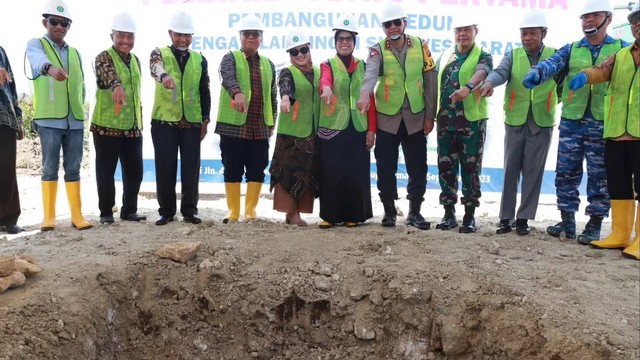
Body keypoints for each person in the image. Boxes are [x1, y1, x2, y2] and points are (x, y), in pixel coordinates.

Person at [522, 0, 628, 244]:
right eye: (584, 17)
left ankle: (594, 223)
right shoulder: (572, 48)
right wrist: (538, 72)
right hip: (572, 121)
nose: (588, 20)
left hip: (604, 122)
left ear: (608, 19)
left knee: (599, 175)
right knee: (566, 171)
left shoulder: (621, 49)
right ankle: (567, 219)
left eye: (594, 15)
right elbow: (553, 62)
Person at [568, 2, 639, 260]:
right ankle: (620, 235)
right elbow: (601, 70)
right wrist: (585, 76)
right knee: (618, 185)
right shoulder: (621, 55)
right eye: (634, 20)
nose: (638, 24)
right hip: (617, 132)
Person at [357, 2, 437, 230]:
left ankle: (415, 212)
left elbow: (430, 79)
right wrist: (364, 93)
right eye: (387, 25)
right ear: (383, 28)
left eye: (396, 22)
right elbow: (371, 73)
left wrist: (430, 114)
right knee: (385, 167)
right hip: (387, 119)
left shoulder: (422, 46)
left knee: (418, 166)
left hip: (415, 116)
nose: (392, 27)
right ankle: (389, 211)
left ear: (405, 23)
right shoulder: (377, 49)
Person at [480, 10, 559, 236]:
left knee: (533, 173)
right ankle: (505, 218)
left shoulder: (554, 56)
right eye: (524, 34)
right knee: (510, 171)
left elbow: (563, 82)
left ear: (544, 33)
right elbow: (500, 73)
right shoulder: (513, 55)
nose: (527, 38)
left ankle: (523, 218)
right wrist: (489, 83)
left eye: (532, 33)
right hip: (515, 120)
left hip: (541, 122)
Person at [26, 0, 92, 231]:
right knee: (49, 167)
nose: (59, 26)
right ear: (45, 22)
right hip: (49, 119)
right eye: (54, 22)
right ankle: (49, 217)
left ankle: (77, 215)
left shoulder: (75, 53)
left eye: (64, 23)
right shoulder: (37, 45)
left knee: (73, 168)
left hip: (74, 120)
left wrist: (80, 109)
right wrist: (49, 68)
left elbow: (81, 84)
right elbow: (37, 61)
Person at [149, 10, 211, 226]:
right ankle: (166, 211)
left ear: (192, 36)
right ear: (170, 34)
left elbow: (205, 90)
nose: (183, 39)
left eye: (187, 35)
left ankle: (189, 210)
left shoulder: (199, 59)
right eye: (179, 34)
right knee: (165, 167)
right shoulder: (160, 52)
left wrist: (205, 119)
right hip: (164, 121)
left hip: (192, 122)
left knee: (191, 168)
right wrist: (164, 76)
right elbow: (154, 67)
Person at [316, 13, 375, 229]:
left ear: (354, 43)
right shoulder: (327, 64)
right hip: (333, 127)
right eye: (340, 39)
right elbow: (325, 81)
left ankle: (354, 215)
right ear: (335, 42)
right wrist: (327, 89)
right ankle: (330, 216)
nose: (344, 43)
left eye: (348, 39)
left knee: (355, 172)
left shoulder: (364, 65)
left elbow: (371, 99)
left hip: (358, 127)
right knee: (331, 171)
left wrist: (371, 129)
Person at [434, 16, 493, 233]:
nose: (462, 34)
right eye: (458, 30)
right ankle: (448, 214)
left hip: (471, 124)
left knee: (471, 169)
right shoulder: (446, 55)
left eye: (467, 30)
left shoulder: (483, 55)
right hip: (445, 124)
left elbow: (481, 73)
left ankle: (469, 216)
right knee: (446, 168)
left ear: (475, 31)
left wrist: (468, 87)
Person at [216, 15, 276, 223]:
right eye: (247, 34)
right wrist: (236, 93)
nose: (251, 37)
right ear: (240, 37)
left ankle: (250, 210)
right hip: (233, 126)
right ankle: (233, 211)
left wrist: (272, 122)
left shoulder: (269, 64)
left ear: (261, 38)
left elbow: (273, 95)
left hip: (259, 127)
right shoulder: (230, 58)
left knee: (257, 167)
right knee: (232, 167)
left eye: (255, 34)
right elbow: (227, 75)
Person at [92, 12, 146, 225]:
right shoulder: (103, 57)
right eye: (121, 36)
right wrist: (117, 86)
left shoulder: (136, 61)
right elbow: (108, 74)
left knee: (135, 171)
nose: (126, 41)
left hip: (132, 127)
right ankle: (106, 212)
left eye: (130, 36)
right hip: (107, 126)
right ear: (112, 36)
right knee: (106, 171)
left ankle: (129, 210)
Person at [269, 31, 319, 226]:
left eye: (303, 50)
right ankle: (291, 212)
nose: (299, 55)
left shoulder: (318, 71)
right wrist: (285, 99)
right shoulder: (288, 72)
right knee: (288, 172)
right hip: (291, 134)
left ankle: (295, 213)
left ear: (309, 49)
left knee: (306, 171)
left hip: (311, 133)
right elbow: (285, 86)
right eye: (294, 52)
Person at [0, 46, 24, 234]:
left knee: (7, 169)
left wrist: (18, 117)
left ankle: (9, 218)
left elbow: (12, 86)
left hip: (5, 118)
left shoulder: (1, 50)